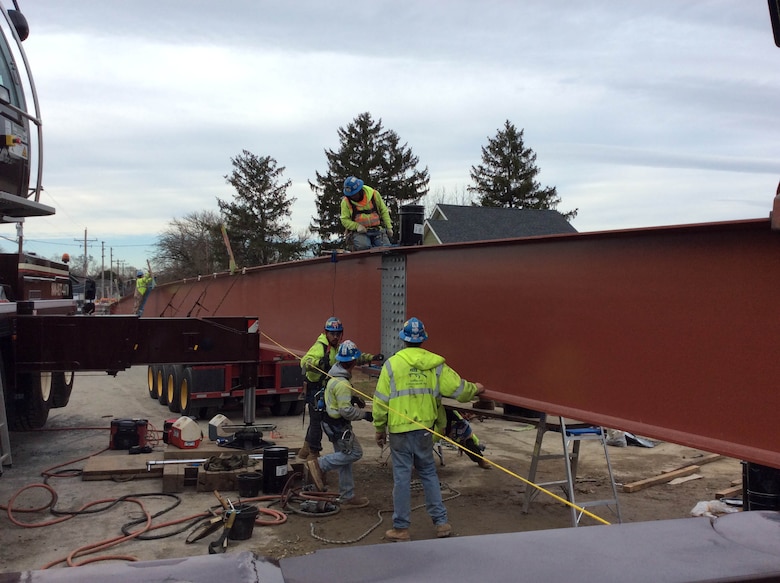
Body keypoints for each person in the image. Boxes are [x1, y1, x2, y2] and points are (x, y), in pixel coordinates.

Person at [373, 317, 486, 542]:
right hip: (424, 430)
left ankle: (401, 528)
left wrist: (379, 428)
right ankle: (441, 523)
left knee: (402, 478)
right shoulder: (436, 365)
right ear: (423, 339)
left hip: (399, 431)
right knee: (428, 474)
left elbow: (380, 401)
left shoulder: (392, 365)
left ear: (403, 340)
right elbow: (459, 390)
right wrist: (477, 389)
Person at [298, 317, 380, 461]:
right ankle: (313, 456)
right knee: (317, 422)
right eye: (332, 334)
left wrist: (372, 358)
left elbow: (353, 358)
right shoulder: (320, 348)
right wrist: (318, 362)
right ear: (326, 333)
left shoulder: (337, 347)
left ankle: (305, 450)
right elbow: (304, 362)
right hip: (315, 390)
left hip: (326, 388)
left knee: (316, 421)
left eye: (338, 334)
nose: (335, 337)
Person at [305, 340, 373, 508]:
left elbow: (338, 400)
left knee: (344, 458)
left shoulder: (334, 375)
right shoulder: (342, 383)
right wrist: (365, 415)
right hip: (338, 425)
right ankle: (319, 464)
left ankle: (347, 495)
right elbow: (346, 411)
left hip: (331, 423)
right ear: (353, 362)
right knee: (355, 453)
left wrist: (352, 398)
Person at [340, 176, 394, 251]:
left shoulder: (374, 195)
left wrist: (389, 227)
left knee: (386, 248)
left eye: (354, 194)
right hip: (359, 233)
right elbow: (344, 220)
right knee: (363, 247)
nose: (353, 197)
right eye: (351, 195)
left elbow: (383, 210)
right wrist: (357, 226)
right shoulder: (346, 202)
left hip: (377, 230)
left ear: (360, 190)